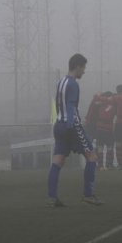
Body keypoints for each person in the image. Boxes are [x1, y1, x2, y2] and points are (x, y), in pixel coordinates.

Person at [47, 53, 103, 207]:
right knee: (91, 156)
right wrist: (72, 126)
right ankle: (88, 195)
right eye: (83, 68)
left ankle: (52, 197)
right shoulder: (73, 84)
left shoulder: (61, 82)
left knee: (58, 159)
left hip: (58, 125)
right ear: (78, 67)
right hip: (71, 126)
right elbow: (71, 106)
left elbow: (60, 105)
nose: (84, 71)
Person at [94, 91, 116, 170]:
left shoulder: (100, 104)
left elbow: (96, 101)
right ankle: (109, 164)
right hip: (108, 129)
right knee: (109, 147)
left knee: (100, 147)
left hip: (100, 128)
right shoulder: (114, 105)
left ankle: (100, 165)